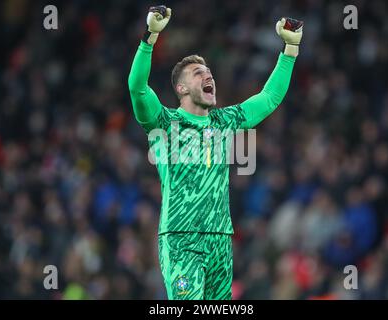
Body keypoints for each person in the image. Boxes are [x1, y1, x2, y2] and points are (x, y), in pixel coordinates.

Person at [128, 5, 303, 300]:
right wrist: (150, 38)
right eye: (199, 73)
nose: (209, 77)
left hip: (220, 239)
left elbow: (269, 98)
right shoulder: (164, 122)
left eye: (209, 72)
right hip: (182, 238)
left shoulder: (225, 121)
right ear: (181, 87)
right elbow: (137, 87)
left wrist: (290, 48)